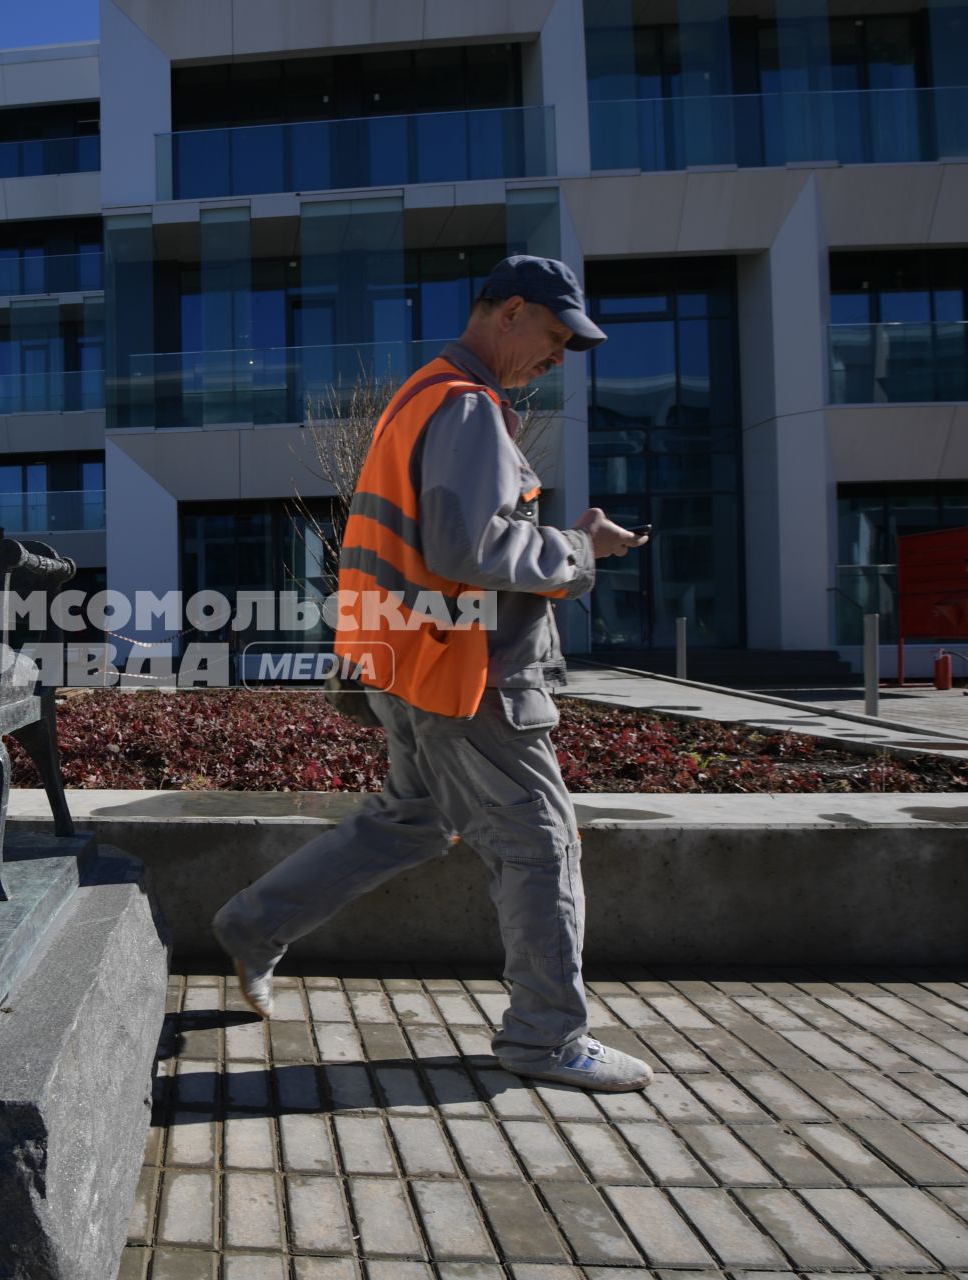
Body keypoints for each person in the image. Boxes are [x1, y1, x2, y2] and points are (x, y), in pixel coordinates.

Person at [212, 255, 655, 1092]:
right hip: (468, 677)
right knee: (541, 846)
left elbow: (430, 542)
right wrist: (579, 551)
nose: (558, 358)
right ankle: (544, 1039)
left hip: (408, 664)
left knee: (412, 820)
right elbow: (470, 549)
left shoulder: (420, 396)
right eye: (557, 338)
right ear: (511, 312)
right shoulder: (469, 407)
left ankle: (252, 924)